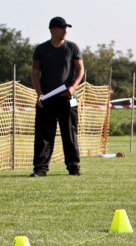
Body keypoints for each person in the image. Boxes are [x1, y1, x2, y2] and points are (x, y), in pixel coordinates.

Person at [30, 17, 84, 177]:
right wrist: (39, 93)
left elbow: (80, 69)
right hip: (47, 98)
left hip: (67, 98)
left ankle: (73, 167)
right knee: (44, 135)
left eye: (66, 28)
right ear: (53, 29)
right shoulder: (41, 49)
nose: (65, 30)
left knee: (70, 133)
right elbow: (35, 72)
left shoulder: (72, 47)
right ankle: (40, 169)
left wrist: (73, 88)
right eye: (62, 28)